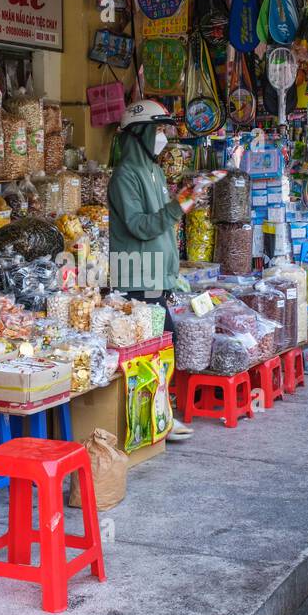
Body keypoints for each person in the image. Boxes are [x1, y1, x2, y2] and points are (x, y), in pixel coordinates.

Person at [107, 99, 192, 442]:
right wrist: (176, 208)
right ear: (138, 133)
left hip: (158, 275)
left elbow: (162, 221)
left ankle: (161, 416)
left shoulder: (154, 171)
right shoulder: (125, 175)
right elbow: (140, 226)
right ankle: (158, 419)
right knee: (151, 352)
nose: (162, 136)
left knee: (161, 349)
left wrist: (180, 202)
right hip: (137, 277)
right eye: (156, 130)